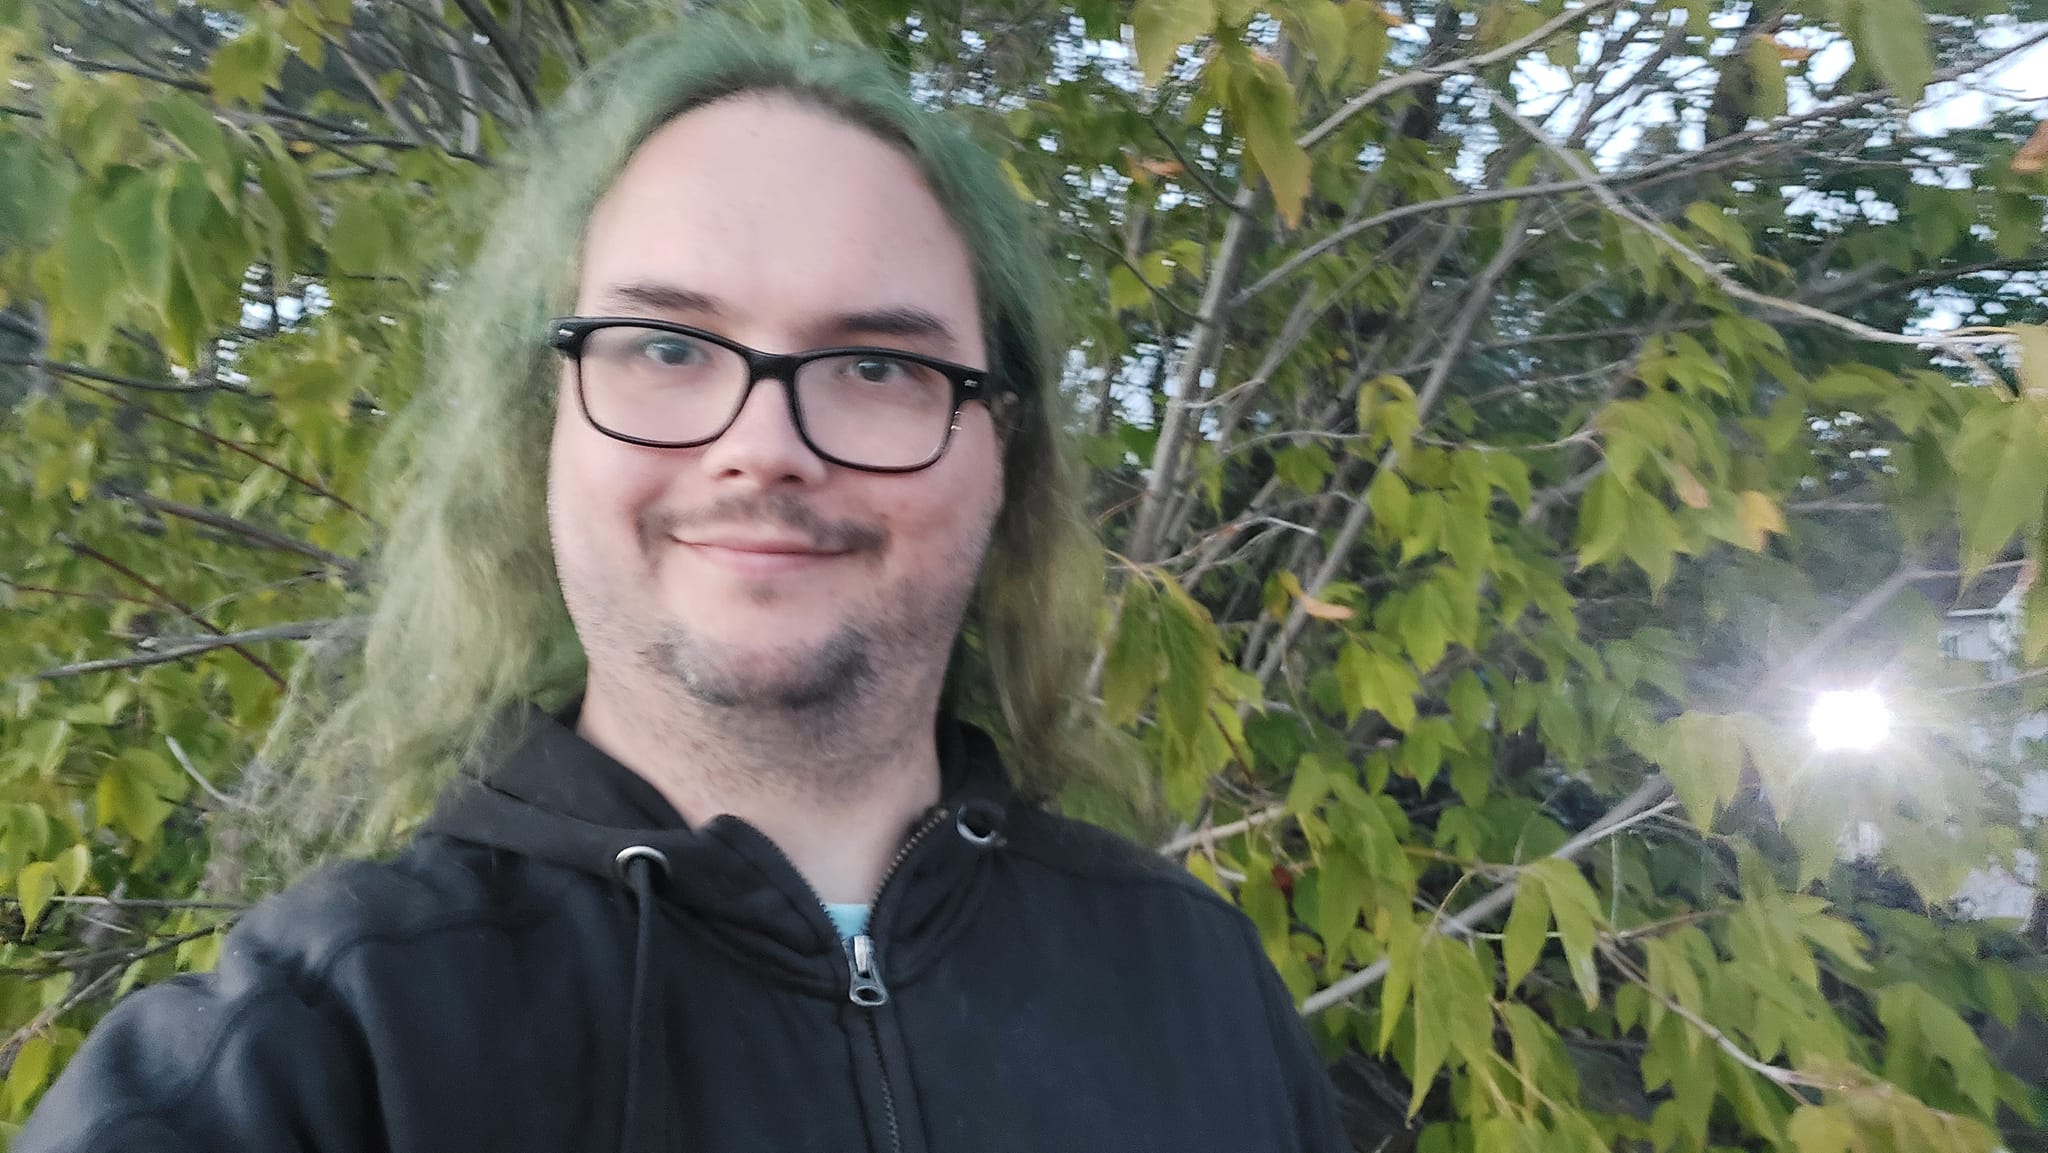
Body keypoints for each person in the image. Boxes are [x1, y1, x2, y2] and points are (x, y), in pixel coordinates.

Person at [20, 15, 1357, 1153]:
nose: (760, 447)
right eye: (667, 347)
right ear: (547, 423)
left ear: (998, 450)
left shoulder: (1197, 985)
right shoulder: (314, 1063)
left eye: (879, 365)